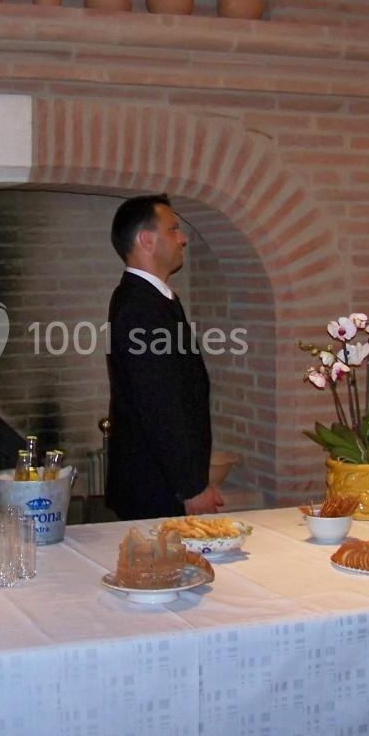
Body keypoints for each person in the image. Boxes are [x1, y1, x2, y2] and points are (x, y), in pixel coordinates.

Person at [105, 195, 223, 520]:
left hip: (162, 483)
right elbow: (160, 404)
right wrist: (190, 487)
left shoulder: (154, 299)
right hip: (156, 489)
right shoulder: (140, 307)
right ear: (147, 240)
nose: (183, 238)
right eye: (173, 229)